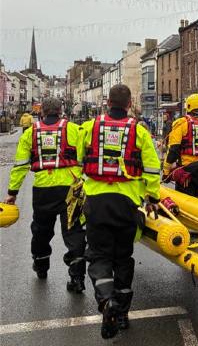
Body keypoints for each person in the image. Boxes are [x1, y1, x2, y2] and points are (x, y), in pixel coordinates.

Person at [78, 84, 160, 339]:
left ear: (107, 102)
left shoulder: (89, 127)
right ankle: (122, 314)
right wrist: (153, 197)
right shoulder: (140, 131)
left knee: (99, 256)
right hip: (127, 203)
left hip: (97, 202)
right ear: (129, 104)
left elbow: (79, 159)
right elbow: (152, 167)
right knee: (123, 257)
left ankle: (106, 301)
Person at [4, 98, 86, 292]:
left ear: (42, 112)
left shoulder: (30, 133)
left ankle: (41, 265)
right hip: (71, 189)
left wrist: (12, 193)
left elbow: (20, 166)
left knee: (41, 230)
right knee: (74, 231)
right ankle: (77, 277)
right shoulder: (75, 130)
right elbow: (85, 157)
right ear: (61, 111)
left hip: (43, 190)